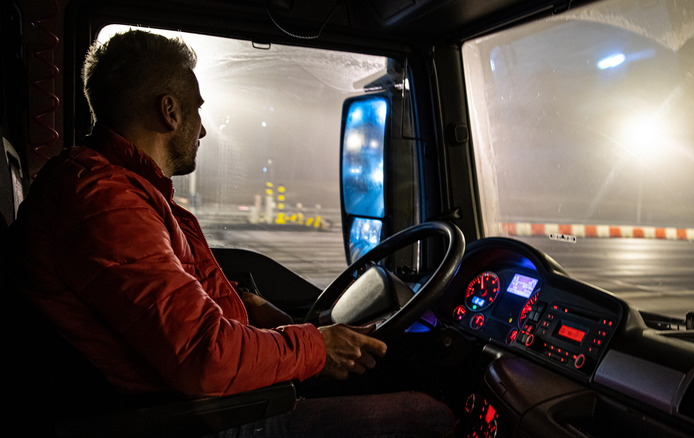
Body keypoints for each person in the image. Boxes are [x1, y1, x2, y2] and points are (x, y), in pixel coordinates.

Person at [6, 30, 454, 437]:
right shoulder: (105, 202)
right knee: (426, 416)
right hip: (195, 419)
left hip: (200, 402)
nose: (202, 129)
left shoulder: (120, 189)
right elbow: (206, 357)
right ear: (169, 111)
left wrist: (252, 306)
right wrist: (316, 346)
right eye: (197, 110)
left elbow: (171, 303)